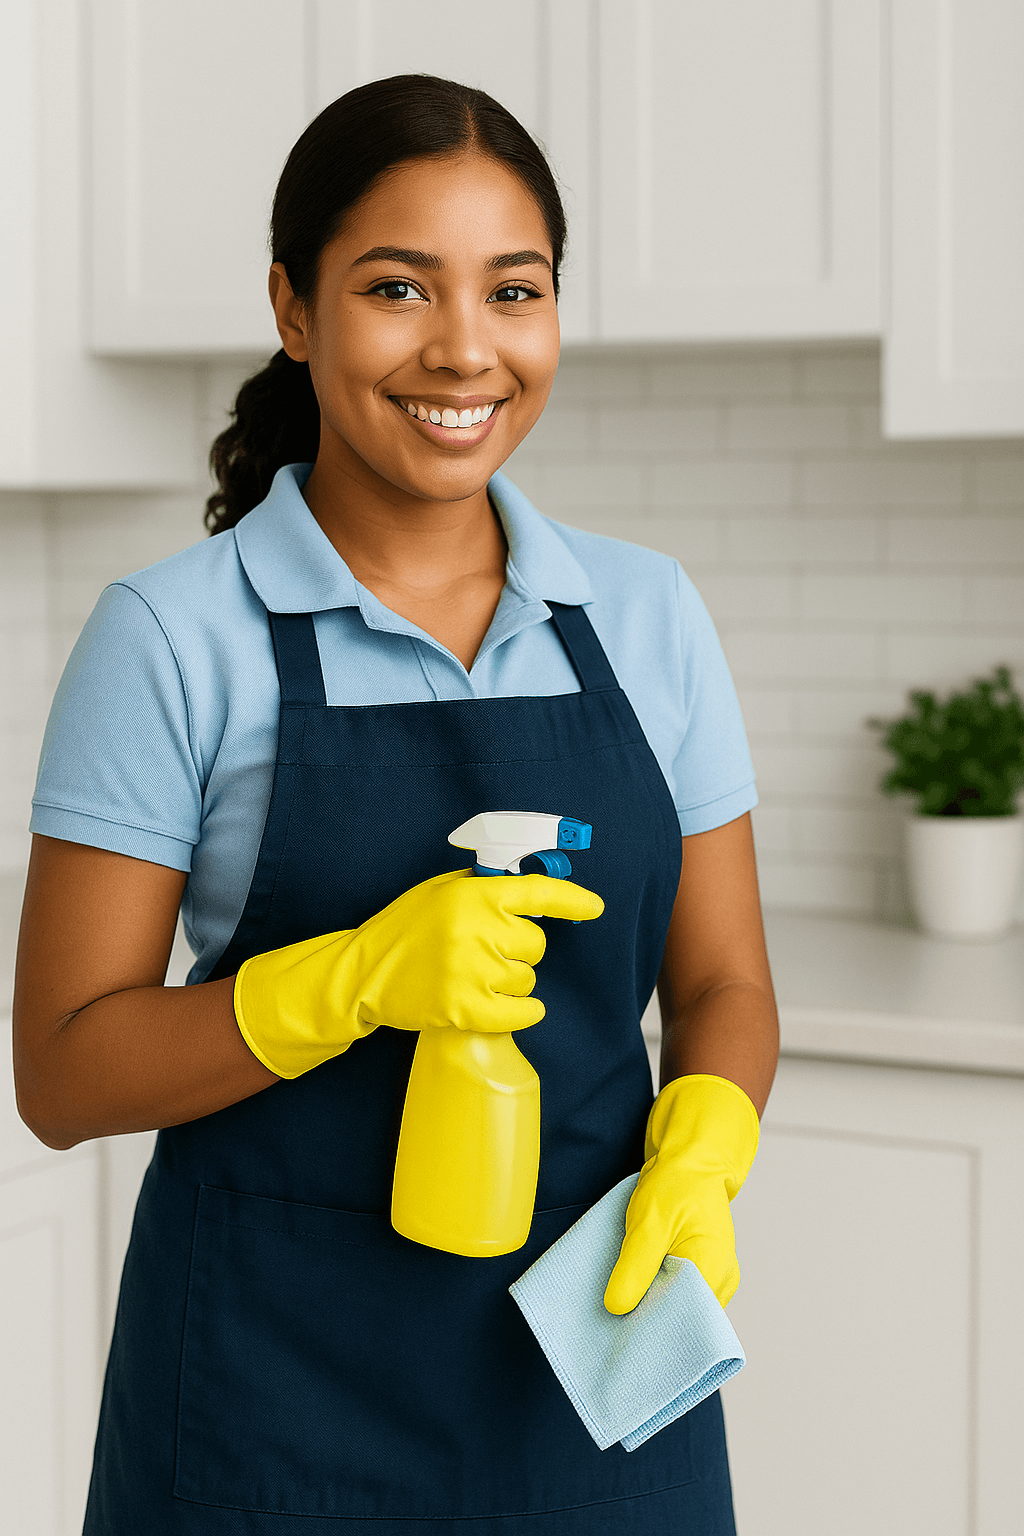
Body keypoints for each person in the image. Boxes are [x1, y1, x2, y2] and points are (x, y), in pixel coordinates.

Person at [13, 75, 778, 1535]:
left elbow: (727, 981)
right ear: (295, 311)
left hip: (598, 1372)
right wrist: (349, 982)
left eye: (515, 289)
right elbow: (62, 1069)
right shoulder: (174, 637)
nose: (464, 348)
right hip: (267, 1406)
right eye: (396, 288)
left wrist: (707, 1143)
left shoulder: (646, 615)